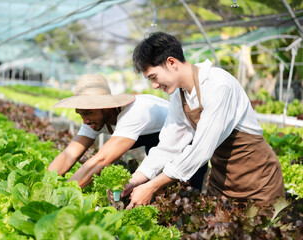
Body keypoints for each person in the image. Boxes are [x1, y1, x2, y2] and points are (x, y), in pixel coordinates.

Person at [122, 32, 284, 209]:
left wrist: (152, 186)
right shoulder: (179, 95)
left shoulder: (218, 84)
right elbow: (169, 145)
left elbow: (201, 149)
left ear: (171, 62)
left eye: (154, 77)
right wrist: (137, 178)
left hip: (259, 182)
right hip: (222, 182)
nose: (154, 85)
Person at [48, 73, 208, 189]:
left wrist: (65, 193)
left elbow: (101, 160)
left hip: (189, 141)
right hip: (157, 144)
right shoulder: (94, 118)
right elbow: (69, 154)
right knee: (154, 187)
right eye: (80, 114)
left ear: (105, 106)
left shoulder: (135, 112)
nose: (85, 120)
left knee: (186, 191)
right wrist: (44, 183)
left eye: (88, 113)